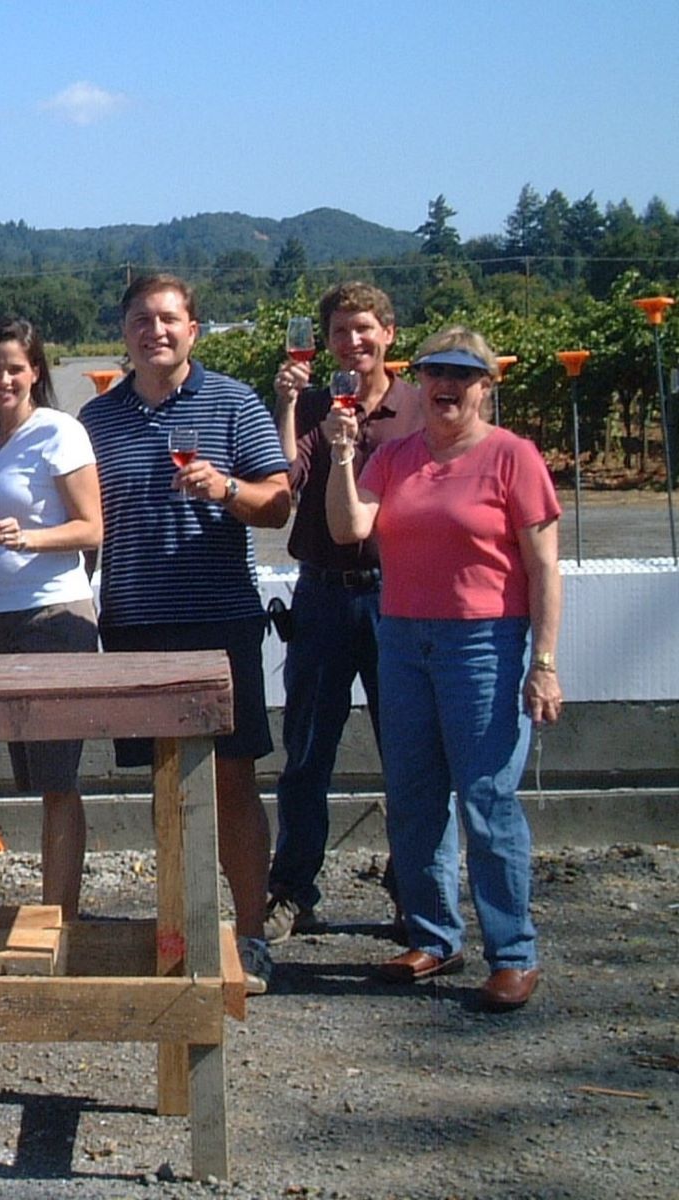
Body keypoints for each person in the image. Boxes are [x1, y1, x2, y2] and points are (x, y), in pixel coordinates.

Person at [327, 327, 562, 1012]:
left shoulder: (512, 457)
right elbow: (349, 530)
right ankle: (433, 935)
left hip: (483, 644)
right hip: (402, 639)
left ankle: (513, 954)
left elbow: (545, 570)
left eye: (463, 375)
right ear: (420, 380)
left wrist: (542, 663)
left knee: (487, 802)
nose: (446, 385)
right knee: (414, 796)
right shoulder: (396, 456)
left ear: (486, 385)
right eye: (435, 372)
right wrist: (344, 459)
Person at [80, 274, 292, 992]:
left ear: (194, 330)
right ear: (126, 332)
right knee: (167, 789)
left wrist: (227, 489)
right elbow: (86, 520)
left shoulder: (234, 402)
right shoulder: (97, 420)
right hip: (137, 622)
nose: (156, 331)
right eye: (142, 319)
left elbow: (279, 504)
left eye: (169, 319)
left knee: (233, 779)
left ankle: (253, 932)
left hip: (219, 620)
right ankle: (181, 929)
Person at [264, 282, 423, 941]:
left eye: (363, 329)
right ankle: (293, 891)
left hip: (403, 595)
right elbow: (281, 477)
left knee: (411, 753)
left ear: (388, 333)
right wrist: (290, 402)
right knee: (305, 753)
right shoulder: (320, 405)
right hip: (324, 594)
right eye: (339, 332)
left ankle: (415, 889)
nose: (351, 342)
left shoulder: (420, 407)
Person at [0, 317, 103, 919]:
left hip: (56, 617)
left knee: (59, 779)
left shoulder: (59, 433)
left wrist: (32, 539)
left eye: (15, 367)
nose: (4, 379)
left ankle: (60, 916)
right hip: (5, 619)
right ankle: (54, 911)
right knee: (38, 776)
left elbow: (92, 528)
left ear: (36, 371)